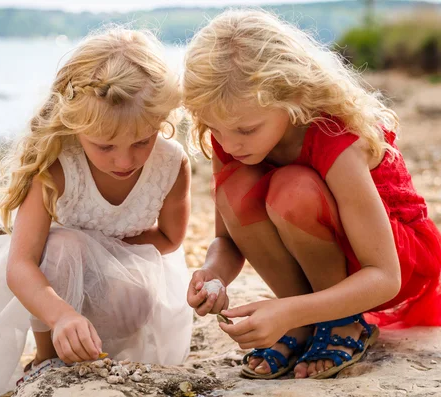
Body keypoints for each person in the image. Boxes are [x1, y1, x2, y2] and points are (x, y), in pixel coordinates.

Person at [183, 9, 441, 380]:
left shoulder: (333, 136)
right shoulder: (232, 131)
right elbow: (228, 240)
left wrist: (288, 309)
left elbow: (386, 275)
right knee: (237, 189)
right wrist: (213, 274)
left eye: (245, 130)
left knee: (293, 188)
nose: (228, 143)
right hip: (328, 261)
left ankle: (339, 321)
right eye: (214, 129)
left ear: (290, 98)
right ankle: (305, 326)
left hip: (393, 256)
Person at [0, 27, 193, 396]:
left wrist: (112, 253)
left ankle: (100, 349)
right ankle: (46, 358)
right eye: (105, 146)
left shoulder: (171, 163)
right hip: (53, 289)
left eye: (143, 141)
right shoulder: (58, 167)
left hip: (128, 288)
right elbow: (20, 266)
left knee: (134, 287)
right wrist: (61, 314)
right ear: (75, 126)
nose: (125, 160)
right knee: (66, 246)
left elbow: (171, 238)